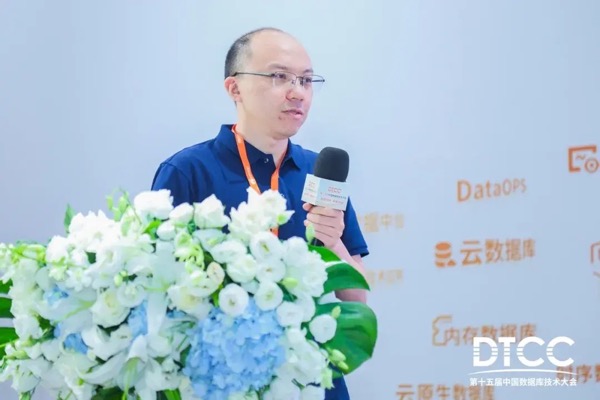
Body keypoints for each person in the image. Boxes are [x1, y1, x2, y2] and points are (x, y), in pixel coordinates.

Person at [151, 27, 369, 400]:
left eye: (306, 80)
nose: (297, 92)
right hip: (221, 382)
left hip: (311, 380)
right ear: (234, 88)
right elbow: (156, 290)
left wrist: (335, 245)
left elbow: (357, 298)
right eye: (279, 76)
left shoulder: (318, 172)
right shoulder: (188, 171)